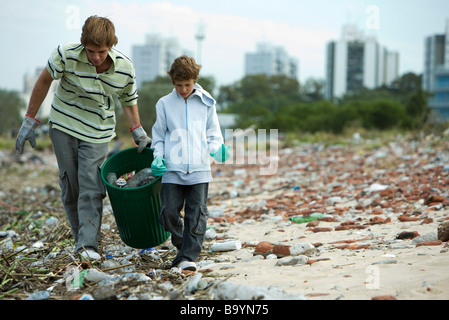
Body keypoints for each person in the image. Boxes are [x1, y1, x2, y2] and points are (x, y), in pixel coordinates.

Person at [15, 16, 151, 261]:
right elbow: (44, 80)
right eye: (90, 51)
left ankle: (88, 245)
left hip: (97, 132)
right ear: (83, 44)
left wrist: (137, 130)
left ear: (111, 46)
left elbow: (128, 101)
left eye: (101, 52)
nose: (95, 57)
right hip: (63, 125)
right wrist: (30, 119)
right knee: (71, 186)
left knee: (90, 185)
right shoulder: (66, 54)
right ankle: (82, 240)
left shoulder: (124, 68)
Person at [151, 56, 230, 271]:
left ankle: (187, 257)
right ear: (172, 82)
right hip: (172, 169)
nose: (184, 89)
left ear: (195, 79)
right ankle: (183, 246)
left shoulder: (207, 103)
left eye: (188, 84)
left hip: (199, 169)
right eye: (179, 85)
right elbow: (158, 137)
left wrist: (217, 149)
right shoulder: (164, 104)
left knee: (196, 215)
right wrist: (158, 156)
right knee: (168, 213)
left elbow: (214, 134)